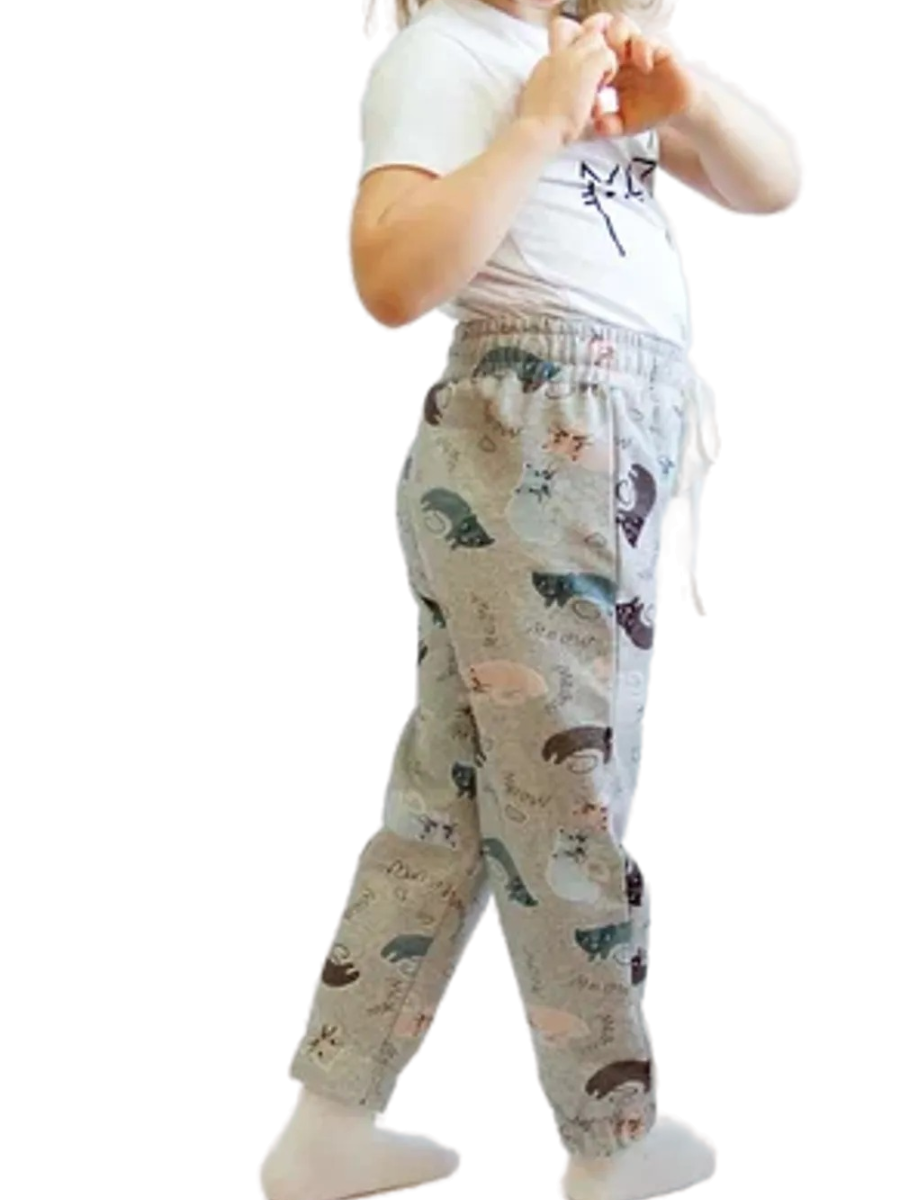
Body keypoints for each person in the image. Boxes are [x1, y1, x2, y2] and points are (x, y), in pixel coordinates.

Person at [261, 3, 799, 1198]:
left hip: (570, 449)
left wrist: (693, 102)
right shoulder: (447, 54)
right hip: (548, 445)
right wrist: (533, 131)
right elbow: (388, 277)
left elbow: (776, 183)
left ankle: (329, 1124)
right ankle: (610, 1139)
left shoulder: (587, 53)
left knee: (450, 804)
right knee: (569, 805)